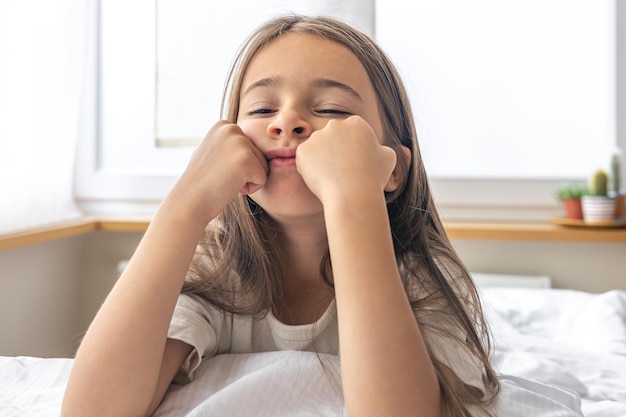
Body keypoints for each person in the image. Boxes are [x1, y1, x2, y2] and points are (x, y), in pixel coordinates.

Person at [62, 14, 500, 417]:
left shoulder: (424, 276)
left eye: (331, 110)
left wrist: (352, 196)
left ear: (394, 168)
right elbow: (92, 410)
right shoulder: (217, 271)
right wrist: (184, 205)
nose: (287, 121)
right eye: (261, 110)